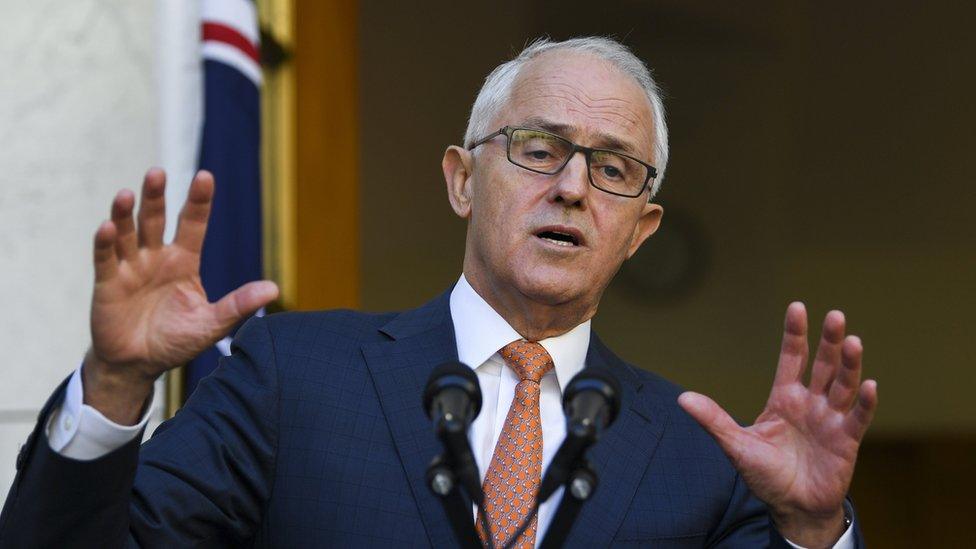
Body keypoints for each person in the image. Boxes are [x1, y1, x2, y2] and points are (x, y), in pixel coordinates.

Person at [0, 37, 876, 548]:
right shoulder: (290, 378)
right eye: (538, 147)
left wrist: (814, 528)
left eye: (613, 168)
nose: (572, 186)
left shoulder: (703, 461)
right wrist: (114, 386)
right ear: (462, 180)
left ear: (640, 229)